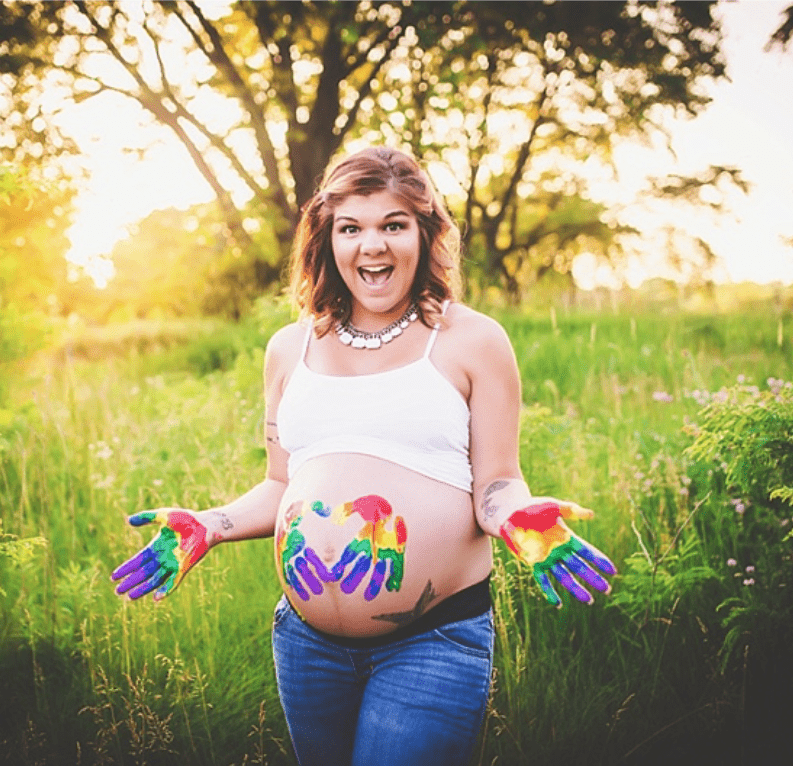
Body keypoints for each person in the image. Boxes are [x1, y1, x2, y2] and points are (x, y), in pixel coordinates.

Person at [111, 146, 616, 766]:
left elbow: (497, 482)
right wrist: (209, 526)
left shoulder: (473, 340)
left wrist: (516, 517)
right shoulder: (288, 348)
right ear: (327, 240)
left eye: (393, 225)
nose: (371, 246)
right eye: (350, 228)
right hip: (306, 647)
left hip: (433, 642)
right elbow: (280, 484)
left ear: (425, 234)